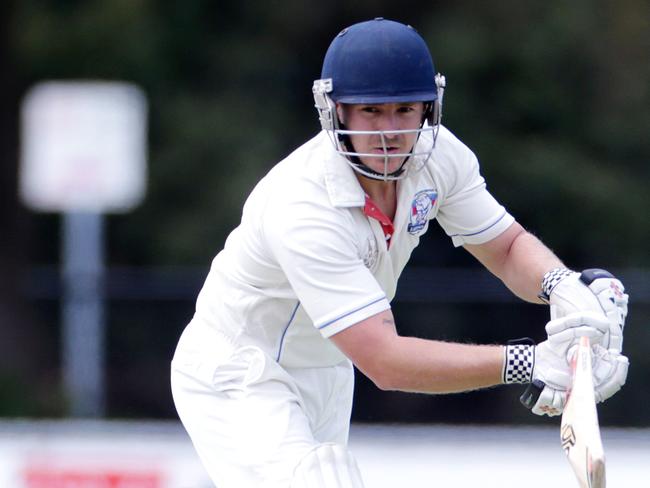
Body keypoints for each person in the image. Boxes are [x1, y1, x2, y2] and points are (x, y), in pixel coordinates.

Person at [171, 18, 629, 488]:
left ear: (428, 109)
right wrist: (527, 363)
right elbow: (385, 361)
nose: (389, 132)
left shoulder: (439, 156)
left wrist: (564, 286)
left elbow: (508, 248)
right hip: (238, 370)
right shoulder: (302, 204)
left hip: (328, 368)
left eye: (404, 109)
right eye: (370, 111)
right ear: (335, 112)